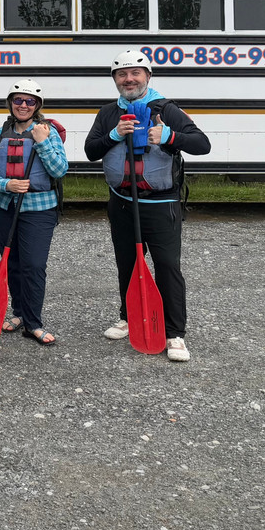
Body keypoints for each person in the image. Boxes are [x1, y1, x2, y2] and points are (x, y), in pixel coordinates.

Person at [84, 50, 211, 362]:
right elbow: (90, 151)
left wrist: (169, 135)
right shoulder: (107, 114)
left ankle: (174, 333)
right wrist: (113, 135)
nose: (129, 79)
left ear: (148, 77)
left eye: (135, 73)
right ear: (115, 80)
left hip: (161, 204)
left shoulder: (166, 109)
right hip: (122, 202)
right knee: (128, 264)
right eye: (122, 74)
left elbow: (202, 144)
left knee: (167, 266)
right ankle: (129, 317)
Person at [0, 80, 68, 345]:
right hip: (3, 207)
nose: (24, 106)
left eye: (30, 101)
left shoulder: (47, 133)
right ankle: (19, 313)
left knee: (34, 265)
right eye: (18, 100)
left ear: (37, 105)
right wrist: (6, 184)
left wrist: (41, 142)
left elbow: (59, 170)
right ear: (10, 103)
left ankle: (33, 323)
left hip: (38, 208)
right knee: (13, 264)